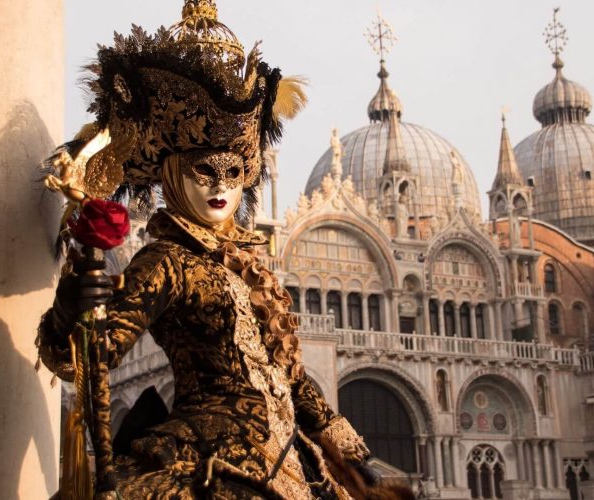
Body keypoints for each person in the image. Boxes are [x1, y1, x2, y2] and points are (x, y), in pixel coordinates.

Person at [36, 1, 414, 499]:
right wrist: (74, 303)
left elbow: (289, 379)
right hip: (208, 458)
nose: (221, 188)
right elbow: (87, 358)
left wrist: (353, 453)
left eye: (233, 174)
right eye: (204, 172)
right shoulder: (165, 261)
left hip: (290, 461)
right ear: (174, 175)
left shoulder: (246, 267)